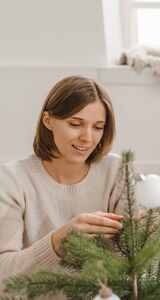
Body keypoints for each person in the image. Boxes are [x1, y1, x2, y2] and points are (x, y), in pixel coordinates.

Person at [0, 76, 125, 289]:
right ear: (48, 121)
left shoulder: (118, 171)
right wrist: (56, 243)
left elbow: (135, 262)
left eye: (98, 127)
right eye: (76, 124)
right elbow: (4, 278)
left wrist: (148, 227)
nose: (88, 138)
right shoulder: (11, 180)